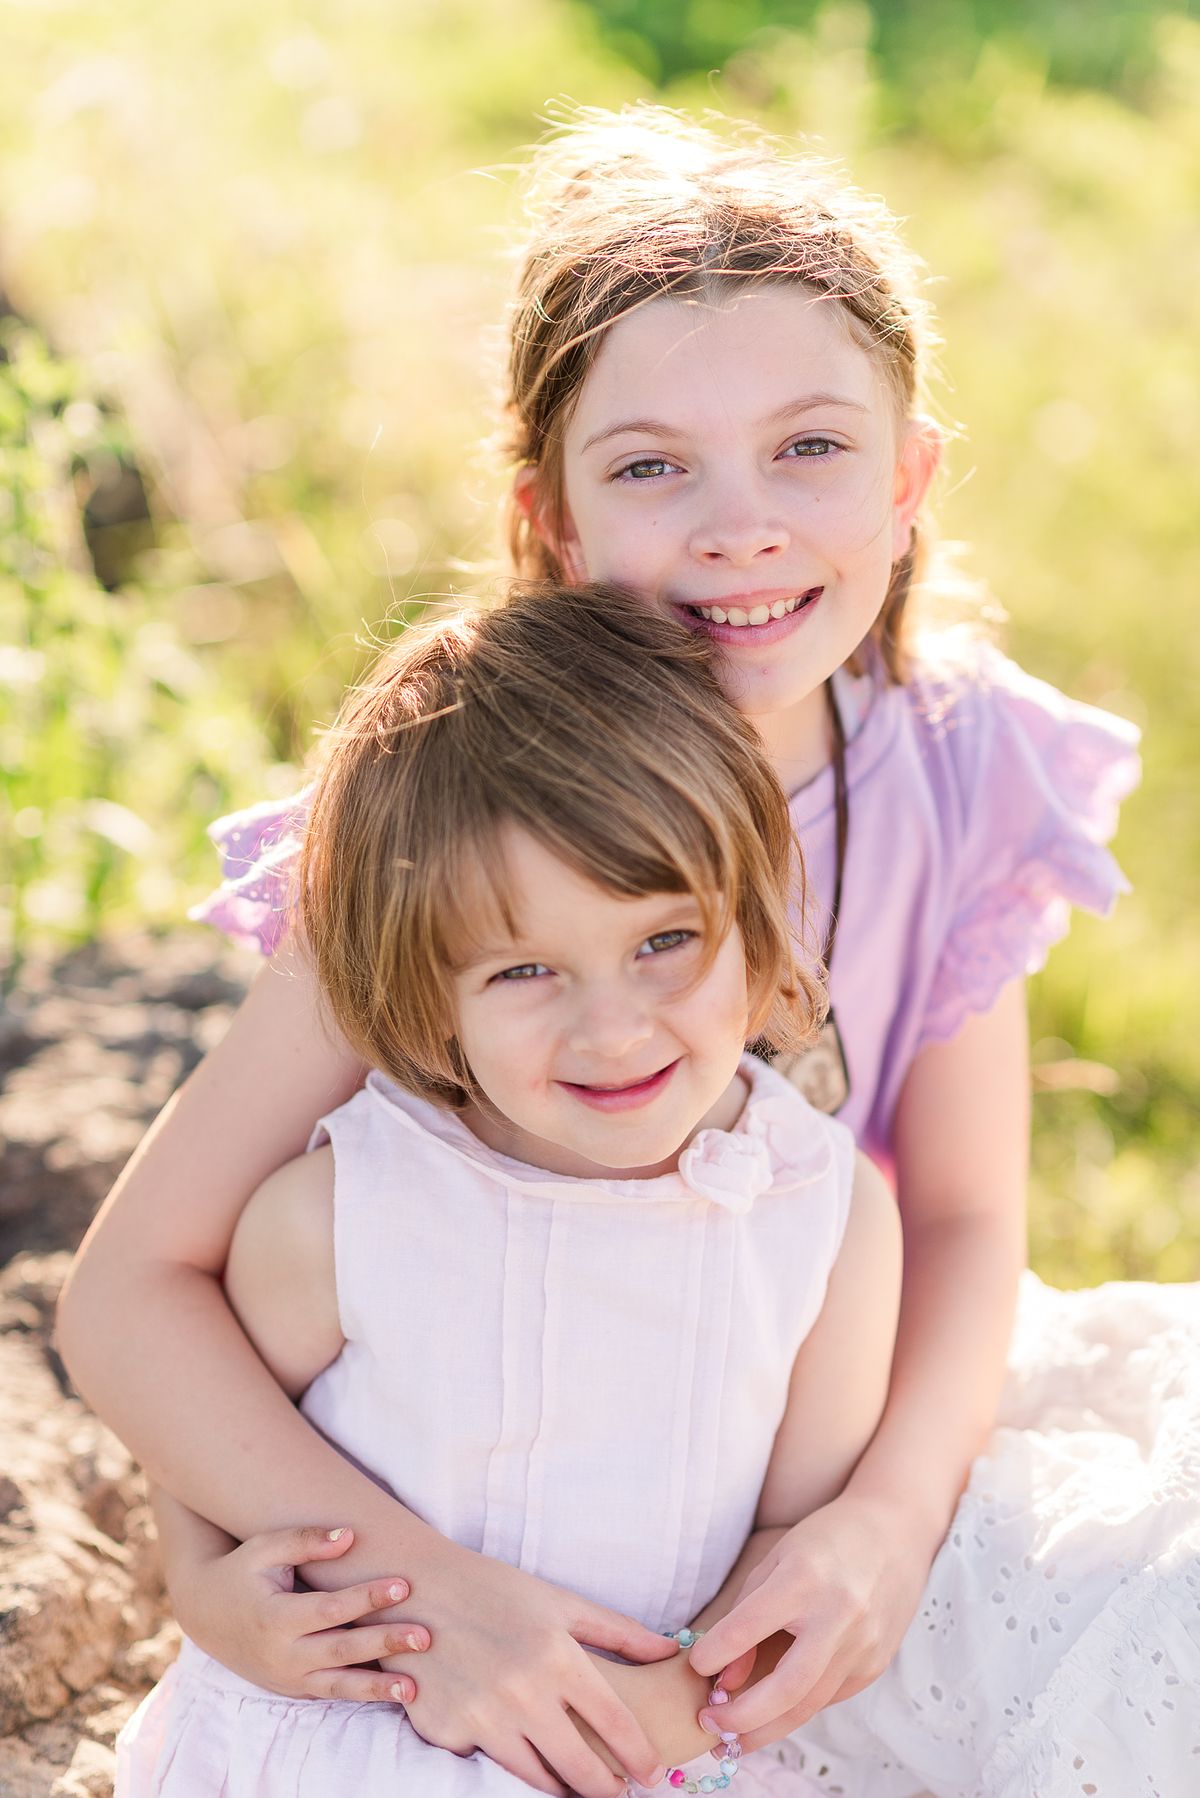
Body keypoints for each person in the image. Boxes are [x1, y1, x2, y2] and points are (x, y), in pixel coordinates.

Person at [60, 107, 1199, 1797]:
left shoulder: (958, 770)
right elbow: (144, 1285)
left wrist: (880, 1525)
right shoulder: (444, 811)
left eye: (809, 448)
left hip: (843, 1427)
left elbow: (962, 1218)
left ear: (907, 482)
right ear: (555, 519)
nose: (738, 527)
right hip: (510, 1457)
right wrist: (378, 1583)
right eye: (655, 464)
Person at [114, 581, 902, 1796]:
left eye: (663, 941)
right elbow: (199, 1438)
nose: (613, 1027)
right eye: (528, 968)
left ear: (752, 919)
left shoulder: (823, 1224)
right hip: (359, 1738)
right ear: (434, 1000)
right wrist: (202, 1585)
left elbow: (789, 1550)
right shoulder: (348, 1213)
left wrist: (671, 1714)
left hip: (657, 1742)